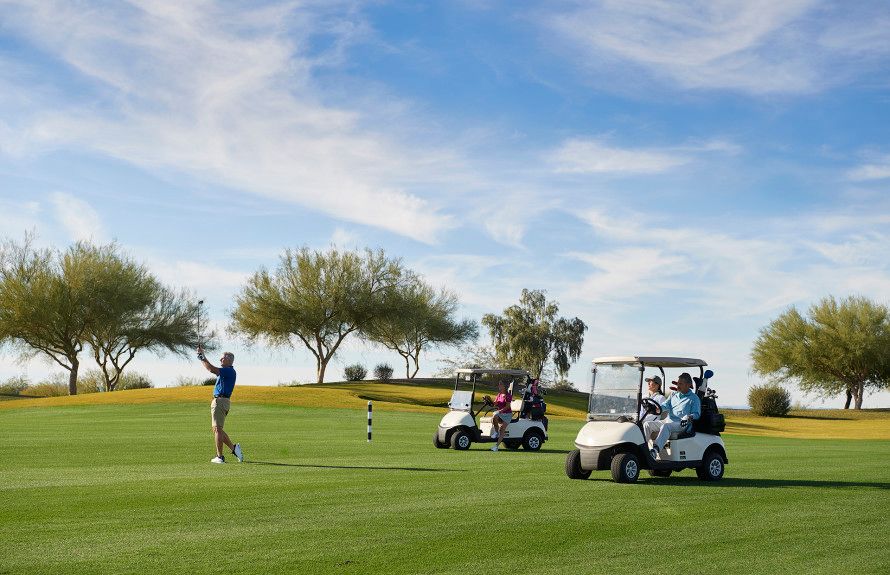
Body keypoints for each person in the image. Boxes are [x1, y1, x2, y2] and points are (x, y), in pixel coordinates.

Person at [198, 346, 243, 464]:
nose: (220, 360)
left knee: (218, 429)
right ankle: (234, 449)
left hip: (221, 401)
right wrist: (202, 357)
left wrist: (202, 357)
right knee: (217, 429)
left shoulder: (228, 370)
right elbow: (212, 369)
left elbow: (211, 369)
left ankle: (220, 457)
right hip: (220, 401)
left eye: (222, 358)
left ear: (229, 359)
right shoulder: (226, 372)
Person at [643, 372, 700, 460]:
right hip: (668, 420)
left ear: (688, 385)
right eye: (678, 383)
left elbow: (697, 414)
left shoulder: (694, 398)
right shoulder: (674, 395)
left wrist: (689, 416)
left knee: (666, 427)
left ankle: (655, 450)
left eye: (680, 384)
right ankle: (643, 449)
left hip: (681, 423)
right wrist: (656, 408)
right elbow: (665, 405)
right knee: (647, 424)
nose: (678, 386)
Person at [489, 381, 513, 452]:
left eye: (500, 385)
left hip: (507, 414)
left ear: (504, 386)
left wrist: (500, 411)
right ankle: (496, 432)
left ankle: (496, 446)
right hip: (500, 413)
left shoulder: (508, 395)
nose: (499, 386)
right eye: (499, 385)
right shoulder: (499, 395)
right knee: (494, 416)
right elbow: (495, 404)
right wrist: (489, 401)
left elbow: (508, 406)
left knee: (502, 429)